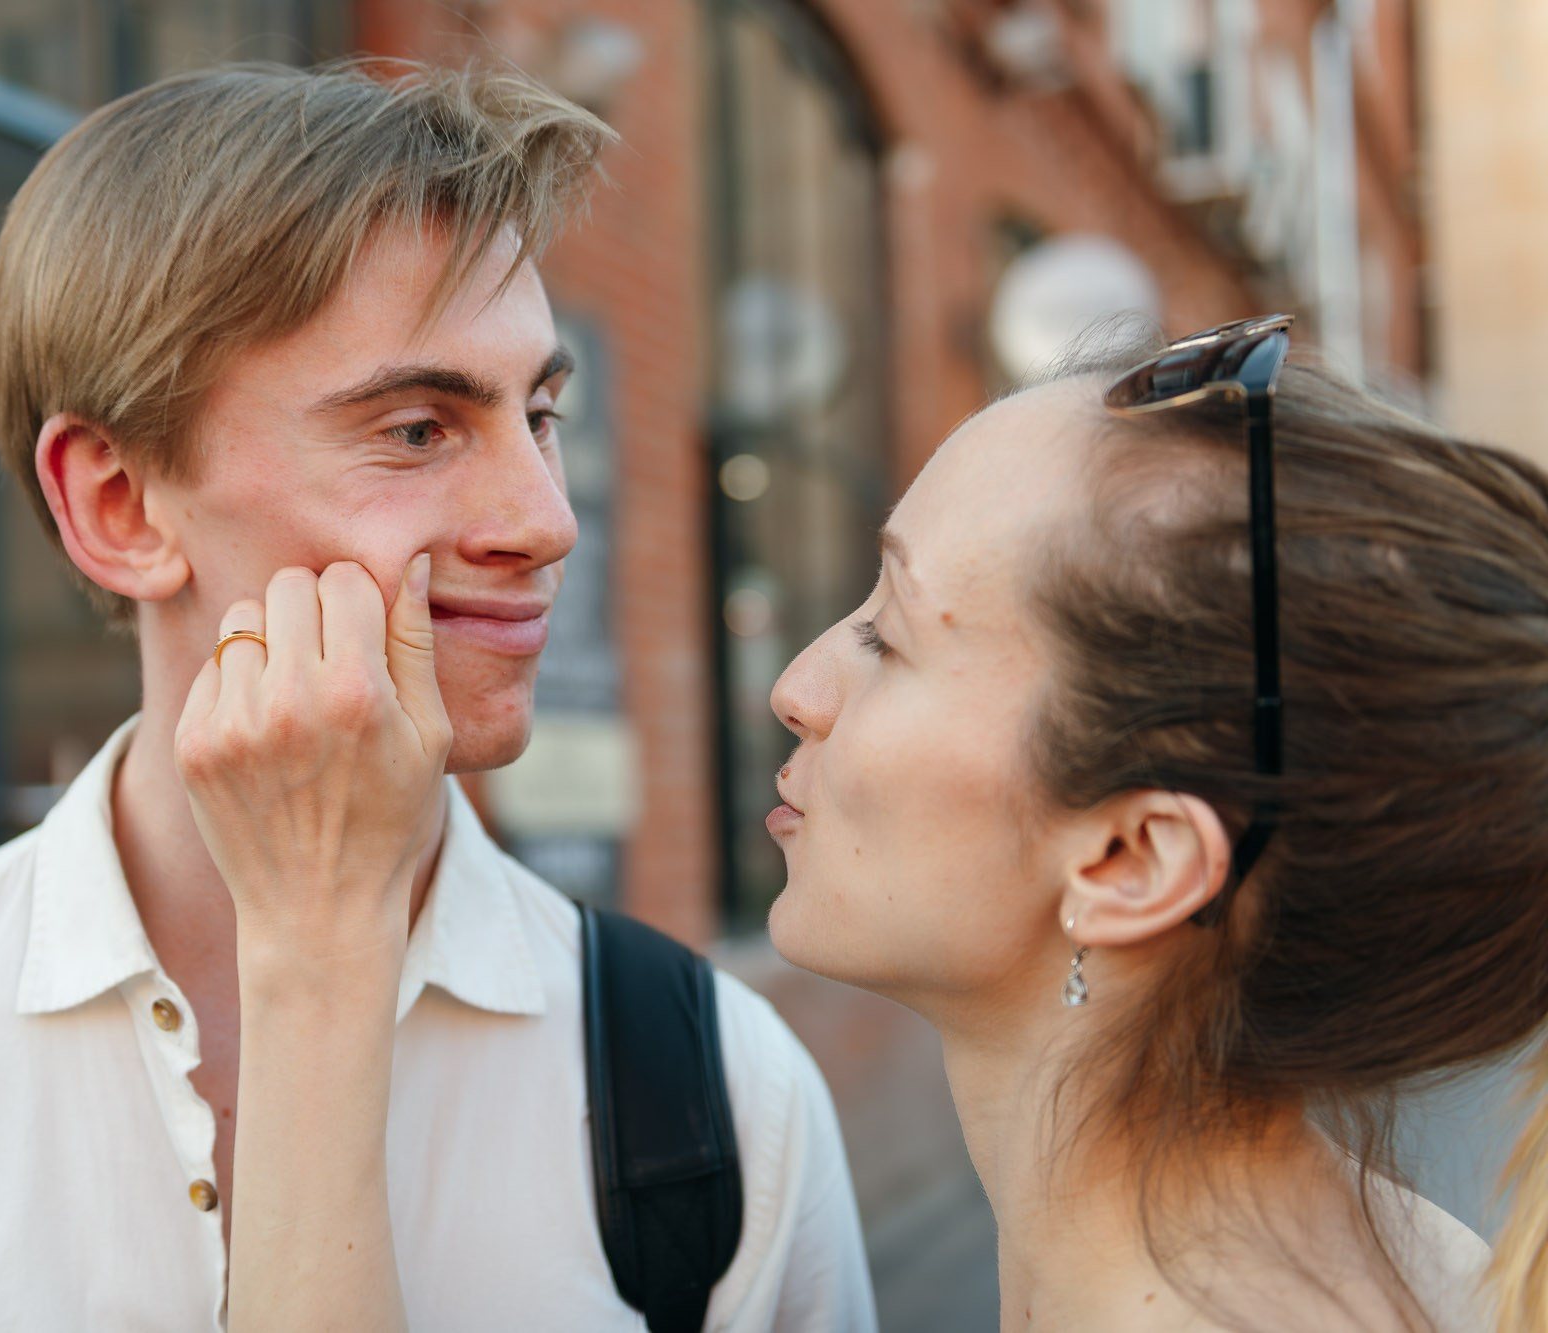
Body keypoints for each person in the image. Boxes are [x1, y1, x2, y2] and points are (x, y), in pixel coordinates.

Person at [0, 62, 876, 1330]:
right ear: (119, 506)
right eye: (417, 428)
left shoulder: (711, 1094)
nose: (544, 520)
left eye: (540, 415)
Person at [203, 316, 1548, 1332]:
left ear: (1131, 859)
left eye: (891, 638)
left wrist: (319, 939)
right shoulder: (1403, 1272)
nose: (798, 685)